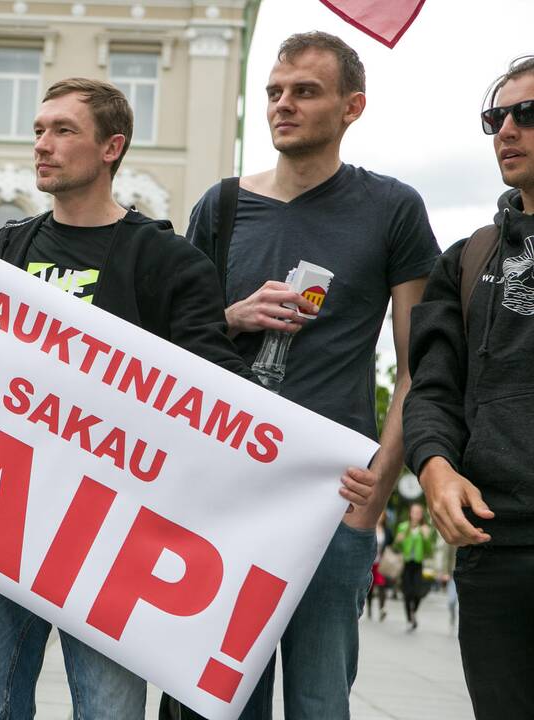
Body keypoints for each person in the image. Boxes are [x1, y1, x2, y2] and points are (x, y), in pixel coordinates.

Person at [0, 77, 376, 720]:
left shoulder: (167, 261)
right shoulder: (8, 248)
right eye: (39, 130)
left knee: (110, 710)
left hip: (106, 543)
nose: (43, 145)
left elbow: (216, 393)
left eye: (63, 131)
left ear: (112, 147)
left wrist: (315, 463)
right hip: (3, 517)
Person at [173, 32, 440, 720]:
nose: (282, 105)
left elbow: (418, 366)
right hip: (227, 493)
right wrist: (233, 315)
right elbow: (180, 349)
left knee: (321, 704)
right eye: (273, 92)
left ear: (352, 107)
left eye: (304, 91)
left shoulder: (392, 208)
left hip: (333, 496)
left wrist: (374, 498)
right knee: (226, 701)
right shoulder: (221, 206)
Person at [403, 55, 534, 719]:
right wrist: (433, 467)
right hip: (494, 547)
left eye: (527, 114)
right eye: (496, 117)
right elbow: (432, 387)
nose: (506, 129)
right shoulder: (466, 258)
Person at [393, 503, 434, 631]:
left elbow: (429, 551)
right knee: (407, 592)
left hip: (418, 563)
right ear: (410, 513)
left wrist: (427, 538)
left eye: (419, 512)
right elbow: (396, 547)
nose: (416, 515)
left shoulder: (425, 529)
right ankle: (409, 619)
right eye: (414, 512)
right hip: (406, 563)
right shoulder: (403, 527)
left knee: (418, 592)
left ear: (422, 515)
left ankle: (414, 611)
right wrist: (398, 541)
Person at [365, 511, 393, 621]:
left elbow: (391, 543)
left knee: (381, 585)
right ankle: (369, 609)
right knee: (370, 587)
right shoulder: (370, 527)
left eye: (382, 516)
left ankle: (382, 609)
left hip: (382, 562)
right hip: (370, 562)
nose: (380, 517)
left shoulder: (387, 531)